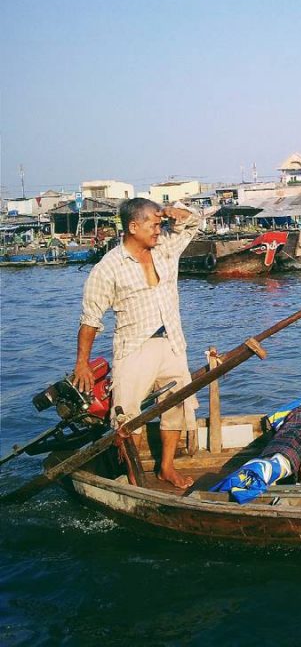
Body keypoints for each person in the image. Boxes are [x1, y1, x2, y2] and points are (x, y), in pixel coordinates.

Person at [73, 198, 202, 489]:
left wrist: (177, 213)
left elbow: (196, 222)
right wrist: (82, 363)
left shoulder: (166, 247)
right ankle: (134, 476)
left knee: (176, 406)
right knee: (128, 417)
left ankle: (166, 468)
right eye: (153, 225)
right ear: (133, 227)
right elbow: (90, 318)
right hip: (134, 347)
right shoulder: (108, 268)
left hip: (171, 341)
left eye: (160, 224)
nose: (158, 230)